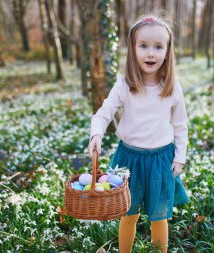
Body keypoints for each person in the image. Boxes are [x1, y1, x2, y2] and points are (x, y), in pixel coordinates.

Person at [88, 14, 189, 253]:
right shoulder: (124, 85)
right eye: (143, 46)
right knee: (128, 214)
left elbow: (180, 125)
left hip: (160, 160)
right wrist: (96, 135)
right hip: (128, 159)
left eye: (158, 46)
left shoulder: (172, 88)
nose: (150, 53)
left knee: (159, 216)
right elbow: (103, 113)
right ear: (133, 50)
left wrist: (180, 157)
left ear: (167, 51)